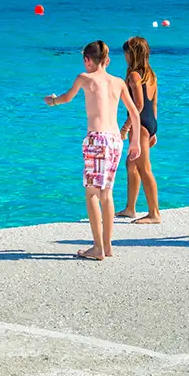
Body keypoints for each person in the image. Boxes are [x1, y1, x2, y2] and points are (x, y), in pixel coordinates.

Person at [44, 41, 141, 260]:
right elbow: (134, 113)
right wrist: (135, 142)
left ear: (88, 60)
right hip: (116, 139)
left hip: (97, 140)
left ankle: (97, 248)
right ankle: (107, 246)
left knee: (91, 194)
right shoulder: (118, 82)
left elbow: (67, 98)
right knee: (106, 193)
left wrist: (53, 101)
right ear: (106, 60)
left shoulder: (84, 78)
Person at [115, 37, 162, 223]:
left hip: (140, 124)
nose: (124, 56)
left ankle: (154, 213)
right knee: (131, 164)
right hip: (149, 123)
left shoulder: (134, 75)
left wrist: (125, 128)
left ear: (131, 54)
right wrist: (154, 130)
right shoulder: (151, 74)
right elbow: (154, 103)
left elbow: (139, 106)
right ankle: (130, 208)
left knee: (144, 168)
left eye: (126, 52)